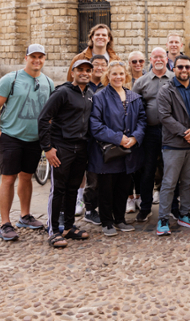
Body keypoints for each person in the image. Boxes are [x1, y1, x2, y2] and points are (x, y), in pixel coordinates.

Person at [0, 44, 55, 241]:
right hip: (11, 136)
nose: (37, 60)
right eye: (33, 56)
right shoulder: (11, 79)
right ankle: (5, 223)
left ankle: (25, 216)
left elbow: (50, 113)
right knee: (8, 179)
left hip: (34, 139)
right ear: (26, 57)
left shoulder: (48, 82)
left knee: (27, 177)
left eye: (40, 57)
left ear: (44, 59)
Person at [38, 59, 94, 248]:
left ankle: (69, 227)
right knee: (58, 190)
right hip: (62, 148)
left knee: (72, 189)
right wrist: (48, 148)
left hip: (81, 148)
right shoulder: (62, 92)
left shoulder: (90, 94)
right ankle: (53, 230)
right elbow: (43, 118)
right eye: (80, 70)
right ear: (73, 72)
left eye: (88, 70)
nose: (84, 73)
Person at [89, 61, 147, 236]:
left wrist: (135, 137)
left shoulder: (133, 97)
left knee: (123, 187)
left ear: (126, 76)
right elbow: (95, 124)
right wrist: (118, 138)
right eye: (114, 74)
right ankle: (107, 222)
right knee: (106, 188)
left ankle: (120, 219)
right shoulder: (100, 97)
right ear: (108, 76)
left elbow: (142, 120)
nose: (118, 77)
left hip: (128, 151)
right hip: (107, 151)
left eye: (121, 74)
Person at [154, 55, 190, 235]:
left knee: (187, 182)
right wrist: (186, 133)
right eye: (180, 67)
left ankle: (185, 214)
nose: (184, 70)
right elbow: (164, 116)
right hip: (174, 144)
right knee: (169, 183)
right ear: (174, 69)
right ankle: (163, 218)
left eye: (187, 67)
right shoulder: (166, 90)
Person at [130, 48, 174, 223]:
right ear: (150, 59)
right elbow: (134, 108)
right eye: (155, 56)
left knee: (170, 169)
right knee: (147, 170)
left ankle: (171, 207)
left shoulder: (174, 79)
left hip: (170, 132)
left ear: (166, 58)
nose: (158, 59)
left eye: (161, 56)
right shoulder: (141, 82)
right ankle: (146, 207)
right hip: (149, 132)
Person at [79, 54, 109, 223]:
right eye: (95, 65)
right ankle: (89, 209)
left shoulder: (109, 86)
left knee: (105, 176)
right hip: (87, 138)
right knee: (92, 177)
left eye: (102, 64)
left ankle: (104, 208)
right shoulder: (84, 86)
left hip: (106, 137)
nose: (99, 67)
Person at [125, 50, 148, 213]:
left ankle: (139, 196)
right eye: (134, 61)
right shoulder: (125, 80)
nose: (138, 64)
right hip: (127, 128)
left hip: (144, 126)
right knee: (127, 165)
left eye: (140, 61)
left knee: (141, 165)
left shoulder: (148, 78)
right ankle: (129, 198)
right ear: (129, 63)